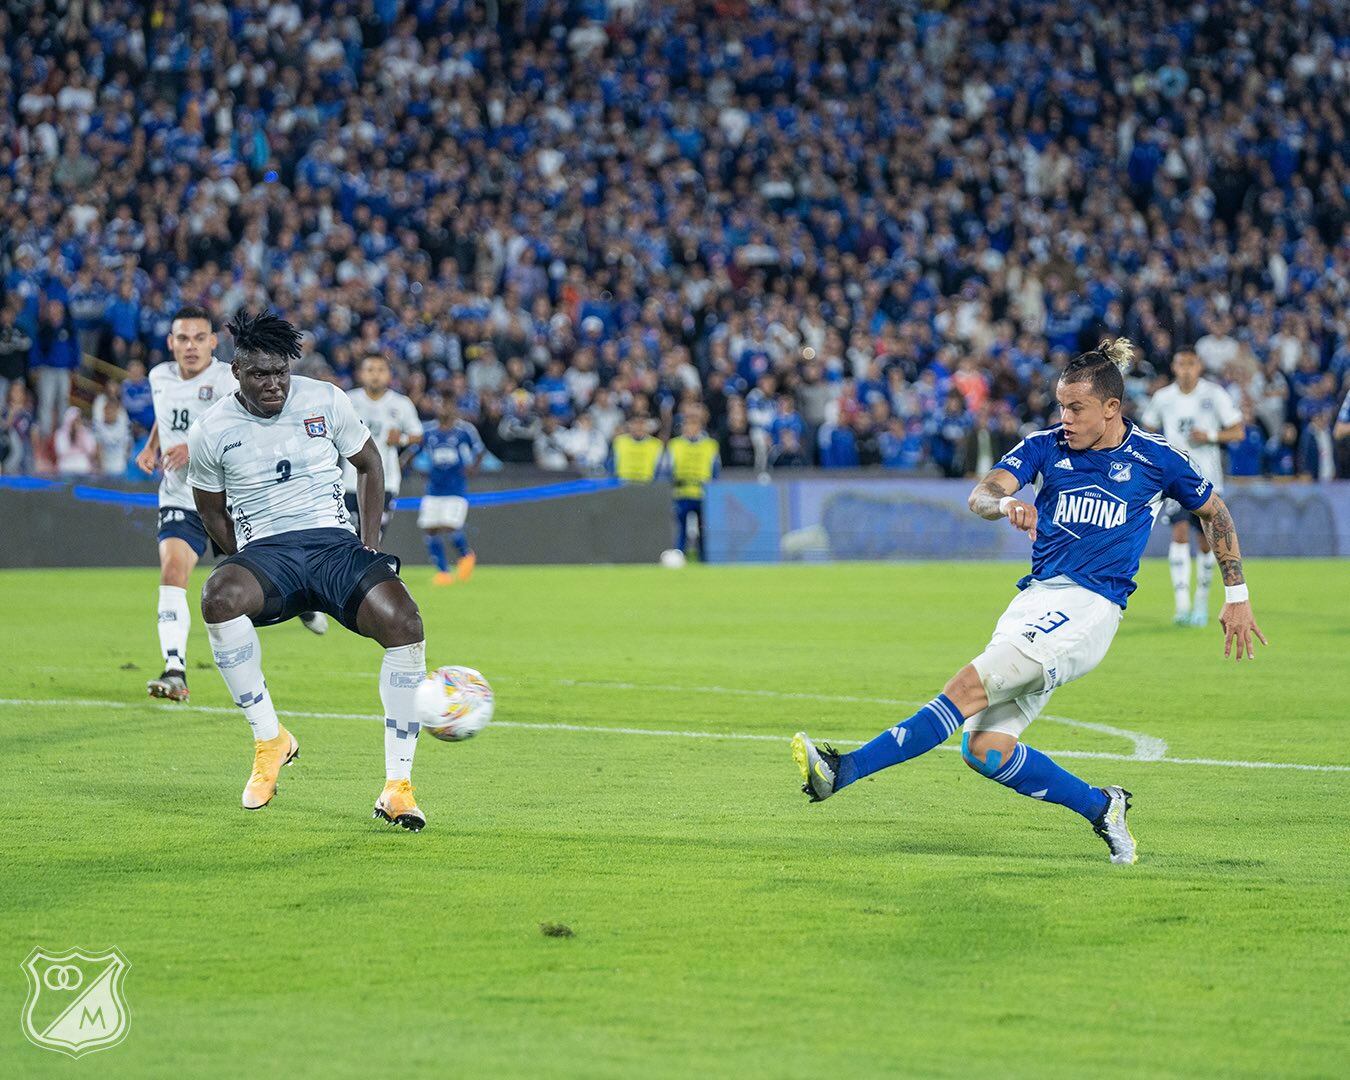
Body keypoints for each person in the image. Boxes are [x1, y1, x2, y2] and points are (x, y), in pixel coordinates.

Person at [793, 339, 1267, 865]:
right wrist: (1004, 503)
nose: (1065, 418)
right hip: (1035, 601)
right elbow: (982, 493)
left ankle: (844, 770)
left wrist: (1237, 596)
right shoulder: (1046, 446)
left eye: (1077, 408)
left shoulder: (1156, 459)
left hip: (1089, 610)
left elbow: (1215, 512)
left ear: (1112, 408)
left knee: (966, 686)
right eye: (1061, 406)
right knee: (985, 751)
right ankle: (1102, 806)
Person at [187, 310, 433, 830]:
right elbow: (209, 508)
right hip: (269, 554)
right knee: (218, 596)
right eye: (259, 375)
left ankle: (398, 788)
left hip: (333, 546)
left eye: (280, 372)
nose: (273, 384)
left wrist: (369, 545)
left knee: (405, 622)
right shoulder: (213, 431)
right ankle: (269, 739)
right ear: (236, 372)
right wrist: (240, 556)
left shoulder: (325, 399)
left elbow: (370, 464)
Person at [134, 307, 240, 701]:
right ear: (171, 343)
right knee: (172, 572)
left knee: (252, 595)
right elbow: (167, 415)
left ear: (213, 341)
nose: (191, 346)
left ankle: (304, 601)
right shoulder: (159, 376)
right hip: (181, 496)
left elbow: (238, 430)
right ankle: (174, 668)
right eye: (183, 338)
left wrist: (191, 449)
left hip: (230, 501)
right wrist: (151, 446)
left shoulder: (230, 379)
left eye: (199, 338)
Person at [1140, 350, 1243, 626]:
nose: (1186, 369)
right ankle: (1182, 605)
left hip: (1207, 478)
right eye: (1181, 364)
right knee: (1179, 531)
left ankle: (1201, 602)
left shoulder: (1214, 395)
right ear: (1174, 366)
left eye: (1191, 364)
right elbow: (1146, 431)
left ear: (1199, 366)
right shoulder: (1163, 398)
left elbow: (1238, 431)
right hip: (1174, 480)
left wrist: (1209, 435)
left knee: (1206, 541)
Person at [340, 353, 422, 538]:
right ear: (360, 374)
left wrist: (401, 439)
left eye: (381, 370)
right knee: (352, 537)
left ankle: (372, 567)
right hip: (350, 481)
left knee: (375, 538)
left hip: (385, 481)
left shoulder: (401, 403)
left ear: (389, 375)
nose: (375, 375)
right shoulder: (348, 400)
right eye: (370, 370)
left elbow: (417, 435)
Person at [418, 395, 486, 586]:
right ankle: (443, 572)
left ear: (454, 408)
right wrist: (413, 466)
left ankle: (466, 554)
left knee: (449, 525)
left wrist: (473, 468)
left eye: (447, 405)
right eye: (441, 405)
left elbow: (479, 450)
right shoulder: (428, 431)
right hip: (433, 488)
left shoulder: (465, 430)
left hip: (455, 488)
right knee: (430, 529)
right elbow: (416, 450)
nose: (444, 409)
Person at [666, 406, 720, 561]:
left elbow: (715, 470)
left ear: (700, 426)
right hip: (681, 493)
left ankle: (705, 559)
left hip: (702, 494)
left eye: (694, 424)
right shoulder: (674, 445)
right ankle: (679, 556)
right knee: (681, 529)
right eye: (687, 424)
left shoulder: (710, 445)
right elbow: (668, 469)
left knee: (704, 530)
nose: (690, 428)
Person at [610, 414, 663, 481]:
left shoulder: (656, 444)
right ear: (629, 426)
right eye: (635, 423)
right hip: (623, 483)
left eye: (641, 424)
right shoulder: (619, 441)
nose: (638, 427)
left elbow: (661, 469)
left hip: (646, 484)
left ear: (647, 426)